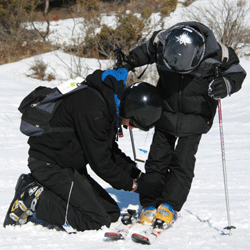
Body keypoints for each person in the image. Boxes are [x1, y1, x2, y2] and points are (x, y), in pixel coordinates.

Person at [3, 68, 164, 232]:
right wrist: (135, 186)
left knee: (111, 213)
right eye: (134, 124)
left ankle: (35, 187)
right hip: (49, 164)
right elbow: (101, 164)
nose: (129, 128)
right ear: (131, 109)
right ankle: (34, 199)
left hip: (68, 165)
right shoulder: (94, 107)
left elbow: (109, 151)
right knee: (96, 221)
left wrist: (138, 175)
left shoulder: (108, 105)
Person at [121, 21, 247, 228]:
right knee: (157, 159)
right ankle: (150, 202)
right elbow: (144, 52)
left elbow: (237, 72)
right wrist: (127, 63)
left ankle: (170, 204)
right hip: (166, 110)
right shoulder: (162, 41)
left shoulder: (218, 53)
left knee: (183, 161)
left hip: (196, 115)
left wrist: (226, 84)